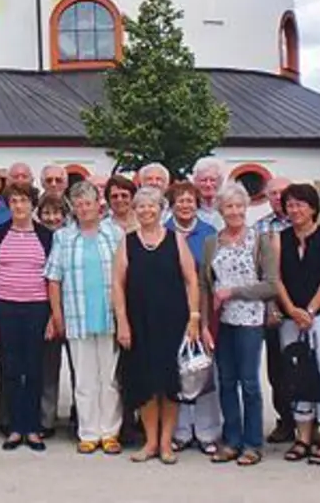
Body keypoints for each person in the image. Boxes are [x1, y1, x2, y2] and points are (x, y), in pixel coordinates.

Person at [114, 185, 201, 465]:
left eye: (151, 206)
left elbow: (191, 279)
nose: (146, 210)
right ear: (135, 210)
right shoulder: (127, 242)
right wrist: (122, 322)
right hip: (140, 324)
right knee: (146, 385)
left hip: (173, 322)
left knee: (169, 384)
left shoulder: (176, 240)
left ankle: (166, 444)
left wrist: (195, 317)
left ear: (161, 209)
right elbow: (117, 284)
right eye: (141, 206)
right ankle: (150, 442)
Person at [45, 180, 124, 455]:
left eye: (87, 203)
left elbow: (124, 276)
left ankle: (110, 432)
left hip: (109, 316)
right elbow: (54, 279)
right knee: (84, 378)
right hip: (77, 316)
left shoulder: (114, 234)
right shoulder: (63, 237)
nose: (83, 209)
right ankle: (89, 433)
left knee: (110, 378)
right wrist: (57, 316)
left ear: (98, 205)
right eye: (78, 205)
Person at [205, 182, 279, 466]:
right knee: (225, 381)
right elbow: (205, 283)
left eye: (238, 206)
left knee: (249, 382)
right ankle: (231, 439)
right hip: (221, 321)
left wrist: (233, 292)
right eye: (228, 207)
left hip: (249, 320)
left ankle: (252, 443)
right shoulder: (213, 241)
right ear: (220, 210)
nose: (234, 212)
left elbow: (271, 285)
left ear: (246, 208)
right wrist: (203, 319)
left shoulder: (259, 241)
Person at [0, 182, 56, 451]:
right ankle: (13, 426)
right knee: (9, 367)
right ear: (8, 205)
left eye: (24, 201)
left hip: (37, 308)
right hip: (5, 307)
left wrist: (51, 318)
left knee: (34, 368)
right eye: (13, 201)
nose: (19, 206)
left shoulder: (46, 236)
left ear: (33, 205)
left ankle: (32, 427)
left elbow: (54, 279)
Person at [273, 182, 320, 466]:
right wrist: (291, 309)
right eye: (290, 205)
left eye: (300, 204)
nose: (295, 210)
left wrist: (310, 310)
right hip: (291, 316)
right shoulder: (281, 238)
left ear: (313, 207)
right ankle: (303, 436)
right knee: (295, 373)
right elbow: (275, 277)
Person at [165, 181, 222, 456]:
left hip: (203, 307)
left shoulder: (209, 234)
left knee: (204, 371)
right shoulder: (163, 231)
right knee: (179, 371)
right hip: (172, 308)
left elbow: (212, 279)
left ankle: (208, 431)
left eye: (189, 200)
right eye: (180, 200)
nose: (185, 205)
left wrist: (204, 319)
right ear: (171, 204)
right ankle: (181, 431)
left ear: (197, 203)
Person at [255, 176, 295, 443]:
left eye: (284, 193)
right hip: (272, 303)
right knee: (276, 367)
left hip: (301, 302)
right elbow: (258, 270)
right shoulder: (260, 227)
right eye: (273, 193)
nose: (279, 197)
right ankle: (285, 420)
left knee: (303, 363)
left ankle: (309, 419)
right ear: (267, 197)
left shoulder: (305, 222)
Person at [35, 192, 70, 436]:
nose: (52, 217)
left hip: (75, 311)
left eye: (57, 212)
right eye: (46, 212)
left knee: (81, 369)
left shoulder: (69, 239)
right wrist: (51, 316)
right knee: (48, 368)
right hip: (48, 310)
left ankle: (81, 415)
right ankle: (46, 418)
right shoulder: (40, 239)